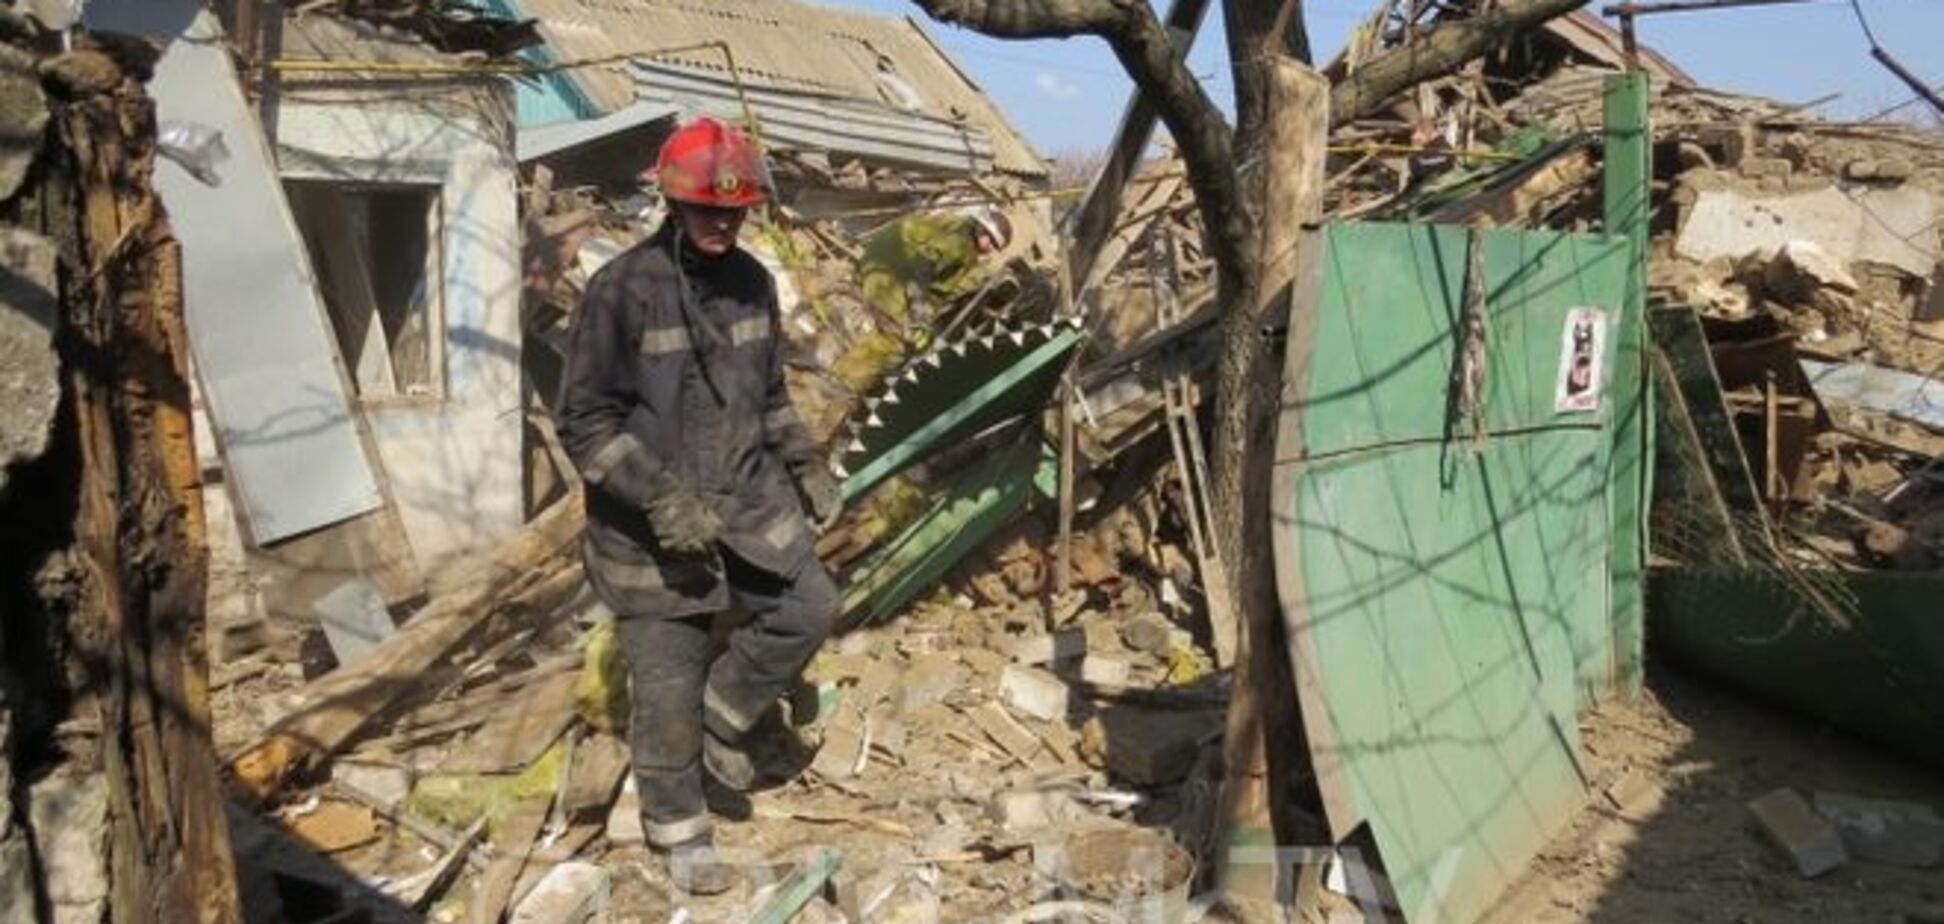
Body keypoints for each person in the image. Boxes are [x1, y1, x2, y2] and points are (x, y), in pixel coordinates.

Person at [556, 116, 842, 895]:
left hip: (746, 505)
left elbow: (771, 393)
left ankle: (728, 714)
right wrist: (658, 496)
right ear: (671, 205)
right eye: (706, 210)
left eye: (735, 211)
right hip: (650, 534)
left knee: (810, 605)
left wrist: (804, 460)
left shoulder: (752, 283)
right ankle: (679, 831)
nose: (721, 223)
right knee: (667, 684)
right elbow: (584, 421)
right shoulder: (622, 292)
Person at [836, 204, 1014, 391]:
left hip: (889, 263)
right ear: (981, 229)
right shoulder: (959, 242)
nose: (991, 249)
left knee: (900, 336)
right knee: (896, 338)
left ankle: (848, 376)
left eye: (996, 247)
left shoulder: (957, 230)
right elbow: (924, 264)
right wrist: (918, 309)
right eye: (992, 242)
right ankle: (844, 382)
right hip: (890, 271)